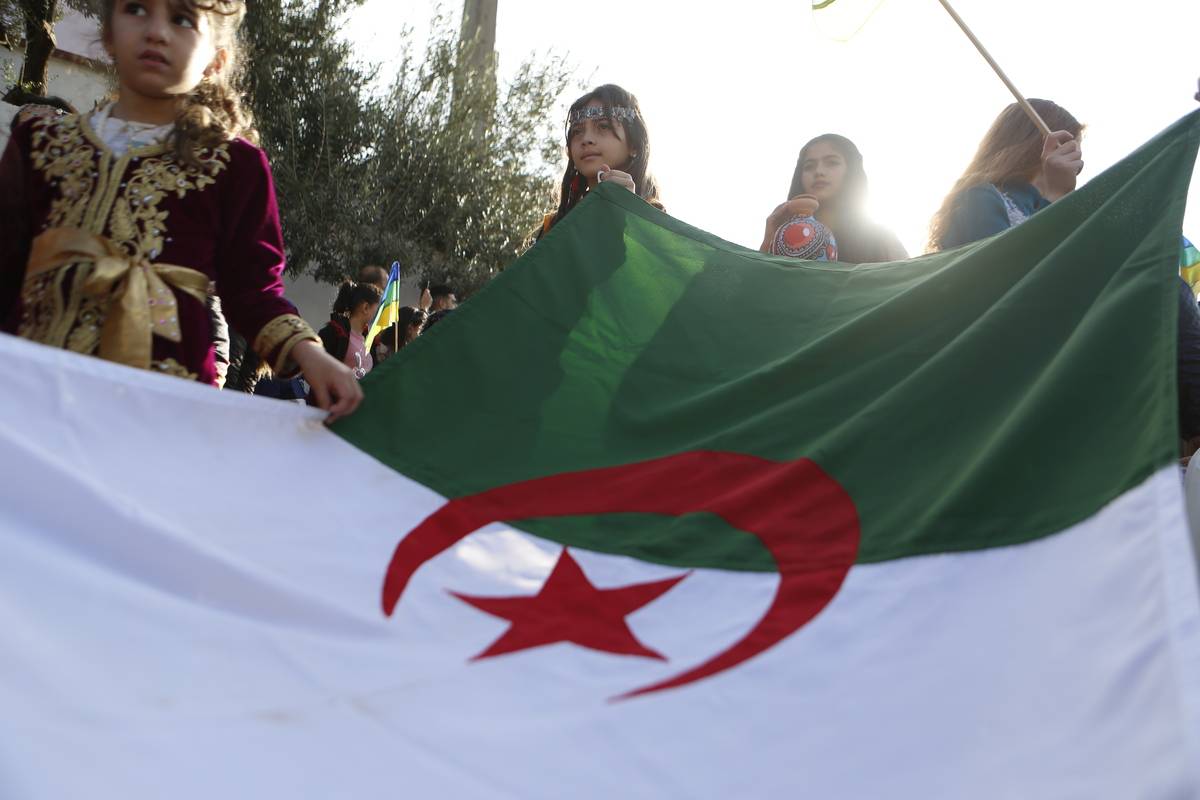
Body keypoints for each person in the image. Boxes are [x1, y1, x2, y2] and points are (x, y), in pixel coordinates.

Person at [0, 0, 360, 419]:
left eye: (182, 19)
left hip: (161, 413)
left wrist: (311, 355)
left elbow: (253, 290)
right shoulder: (40, 142)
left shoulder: (234, 165)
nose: (156, 31)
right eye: (136, 9)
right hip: (26, 397)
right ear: (109, 33)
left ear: (216, 59)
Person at [927, 99, 1083, 252]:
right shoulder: (979, 197)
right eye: (1070, 152)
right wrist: (1054, 195)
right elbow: (1010, 270)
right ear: (1041, 145)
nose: (1076, 166)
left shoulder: (1043, 207)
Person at [537, 84, 663, 238]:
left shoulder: (655, 223)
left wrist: (630, 220)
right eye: (577, 131)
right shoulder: (555, 226)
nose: (586, 139)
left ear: (634, 145)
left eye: (603, 126)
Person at [763, 134, 907, 264]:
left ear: (851, 171)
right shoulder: (783, 236)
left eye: (832, 162)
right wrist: (769, 241)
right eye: (809, 166)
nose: (819, 171)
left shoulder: (881, 240)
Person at [318, 280, 381, 379]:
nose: (379, 315)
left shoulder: (369, 339)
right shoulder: (334, 333)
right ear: (365, 308)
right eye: (377, 309)